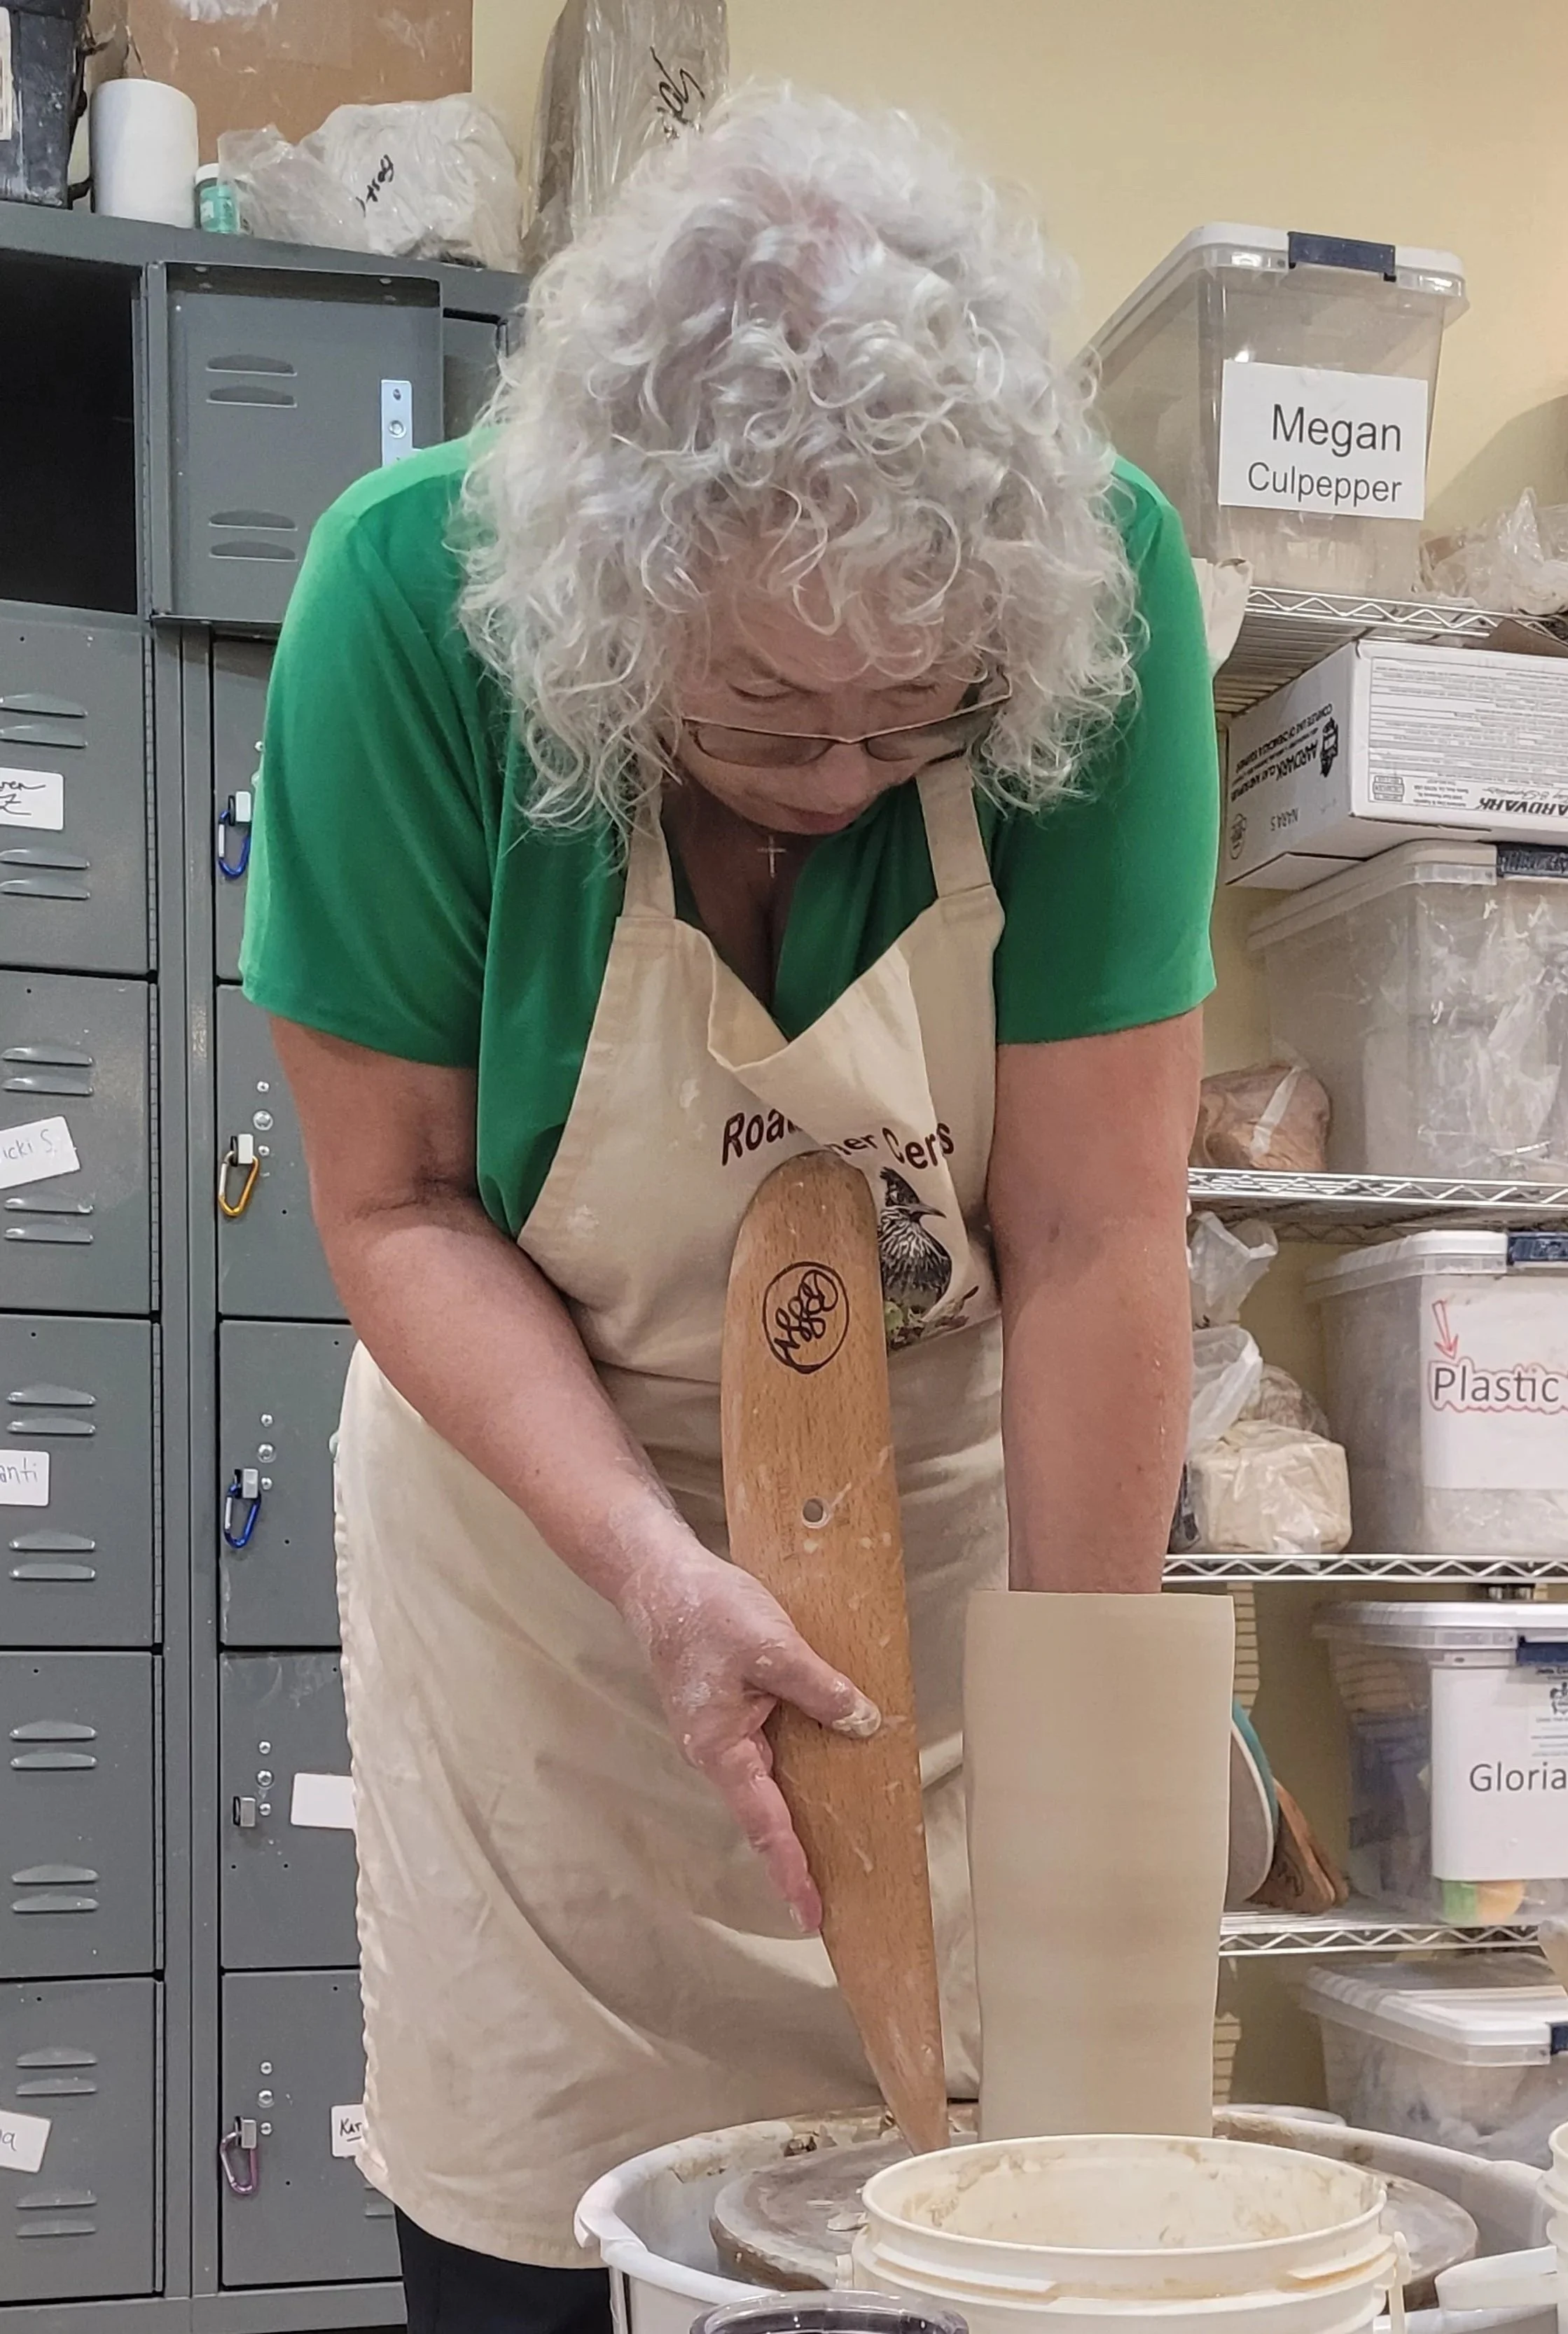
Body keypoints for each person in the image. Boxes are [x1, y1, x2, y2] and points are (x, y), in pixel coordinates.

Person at [244, 87, 1227, 2334]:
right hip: (551, 1546)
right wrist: (653, 1569)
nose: (846, 774)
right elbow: (394, 1204)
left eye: (920, 713)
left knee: (1002, 2194)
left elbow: (1091, 1230)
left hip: (953, 1496)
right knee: (540, 2204)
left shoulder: (1100, 591)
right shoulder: (413, 607)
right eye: (768, 706)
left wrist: (1083, 1770)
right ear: (611, 601)